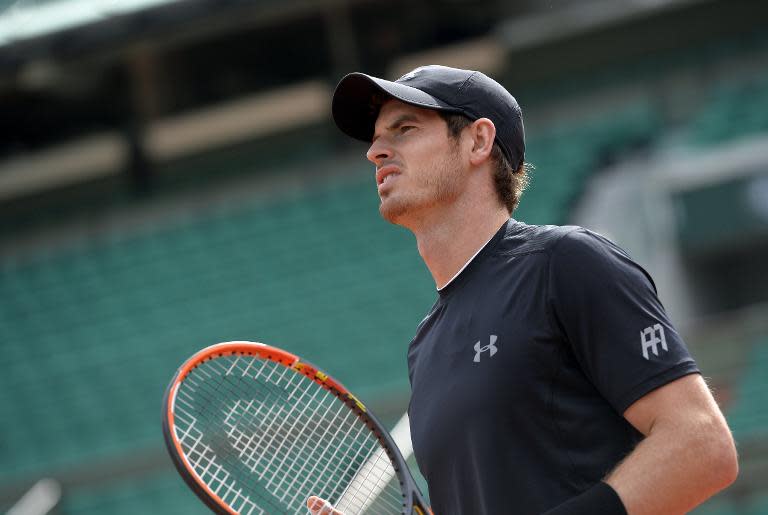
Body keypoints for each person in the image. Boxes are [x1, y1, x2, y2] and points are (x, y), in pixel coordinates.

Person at [310, 65, 738, 515]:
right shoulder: (425, 346)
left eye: (405, 129)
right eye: (377, 137)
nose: (376, 152)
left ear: (478, 140)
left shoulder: (565, 262)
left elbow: (702, 444)